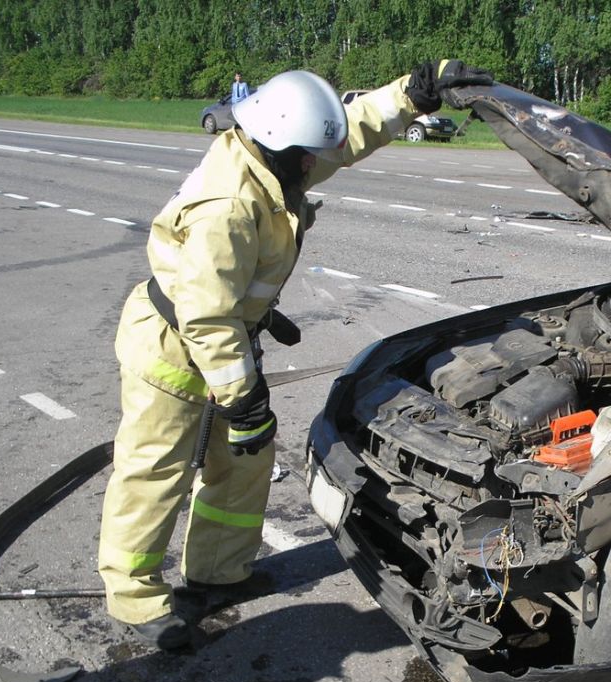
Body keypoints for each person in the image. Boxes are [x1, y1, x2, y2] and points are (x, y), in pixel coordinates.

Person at [97, 61, 493, 649]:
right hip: (175, 352)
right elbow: (205, 316)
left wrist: (412, 95)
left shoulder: (275, 159)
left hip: (222, 339)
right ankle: (134, 600)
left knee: (245, 460)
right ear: (281, 142)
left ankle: (218, 574)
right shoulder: (229, 203)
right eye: (307, 156)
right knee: (156, 472)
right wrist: (244, 397)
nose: (316, 165)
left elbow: (348, 134)